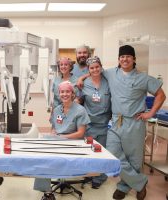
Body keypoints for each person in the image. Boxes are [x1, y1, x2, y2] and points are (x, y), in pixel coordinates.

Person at [77, 45, 166, 200]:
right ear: (118, 59)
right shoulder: (111, 73)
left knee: (134, 159)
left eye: (128, 56)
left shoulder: (143, 77)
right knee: (112, 154)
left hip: (134, 122)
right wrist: (81, 78)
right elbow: (94, 71)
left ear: (134, 59)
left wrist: (151, 113)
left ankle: (124, 186)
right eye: (122, 56)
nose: (125, 59)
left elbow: (161, 94)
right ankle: (140, 182)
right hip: (115, 122)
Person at [34, 81, 90, 193]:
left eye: (67, 91)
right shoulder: (57, 110)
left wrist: (62, 138)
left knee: (48, 158)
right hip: (58, 140)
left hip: (74, 143)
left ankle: (46, 187)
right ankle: (45, 190)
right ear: (59, 94)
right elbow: (54, 127)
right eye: (62, 92)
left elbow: (80, 133)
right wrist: (53, 134)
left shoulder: (80, 110)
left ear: (72, 93)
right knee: (42, 154)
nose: (65, 94)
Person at [80, 56, 112, 189]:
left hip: (104, 123)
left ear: (101, 67)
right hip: (89, 123)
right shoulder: (84, 83)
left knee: (102, 151)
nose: (95, 69)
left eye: (97, 67)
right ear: (88, 69)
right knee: (89, 150)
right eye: (92, 68)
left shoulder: (108, 81)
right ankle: (90, 173)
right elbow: (79, 100)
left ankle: (100, 177)